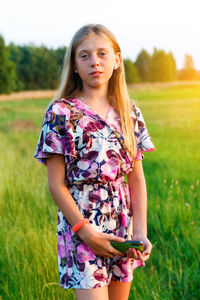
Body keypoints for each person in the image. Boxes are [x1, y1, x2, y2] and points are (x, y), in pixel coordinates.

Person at [34, 24, 155, 300]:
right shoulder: (61, 112)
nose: (95, 62)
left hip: (122, 228)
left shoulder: (130, 112)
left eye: (102, 53)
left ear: (116, 60)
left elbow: (136, 177)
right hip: (81, 227)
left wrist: (140, 232)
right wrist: (86, 233)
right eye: (84, 56)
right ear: (74, 65)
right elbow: (56, 185)